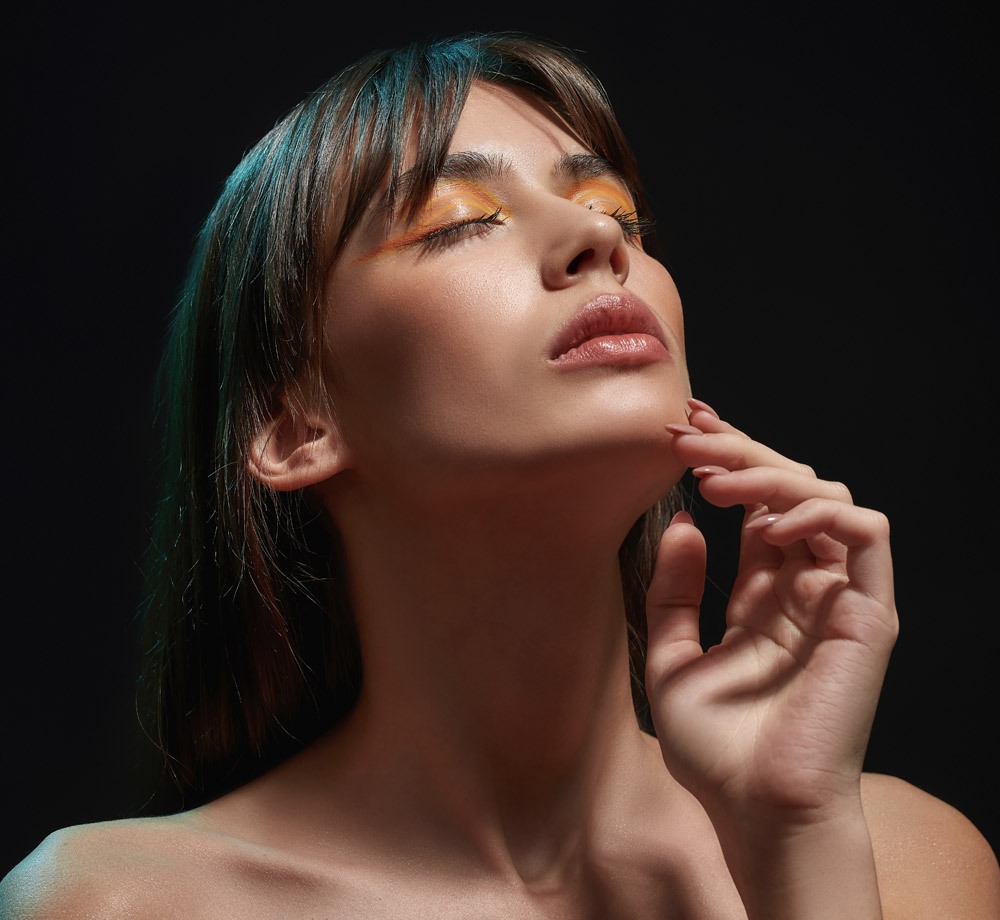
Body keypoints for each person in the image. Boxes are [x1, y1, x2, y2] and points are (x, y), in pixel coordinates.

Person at [1, 30, 997, 920]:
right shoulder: (113, 903)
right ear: (297, 424)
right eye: (455, 221)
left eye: (615, 209)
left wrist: (795, 841)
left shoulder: (899, 859)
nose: (599, 238)